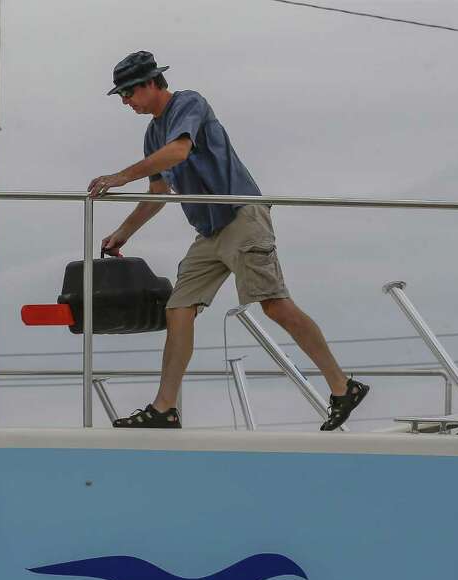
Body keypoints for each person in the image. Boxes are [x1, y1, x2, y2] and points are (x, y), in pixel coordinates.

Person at [88, 51, 368, 431]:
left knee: (274, 304)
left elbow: (179, 151)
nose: (125, 102)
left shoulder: (189, 103)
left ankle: (342, 386)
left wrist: (120, 176)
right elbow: (159, 190)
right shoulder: (152, 132)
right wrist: (124, 232)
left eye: (128, 92)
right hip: (209, 233)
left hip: (241, 216)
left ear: (153, 83)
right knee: (179, 308)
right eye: (120, 95)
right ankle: (164, 408)